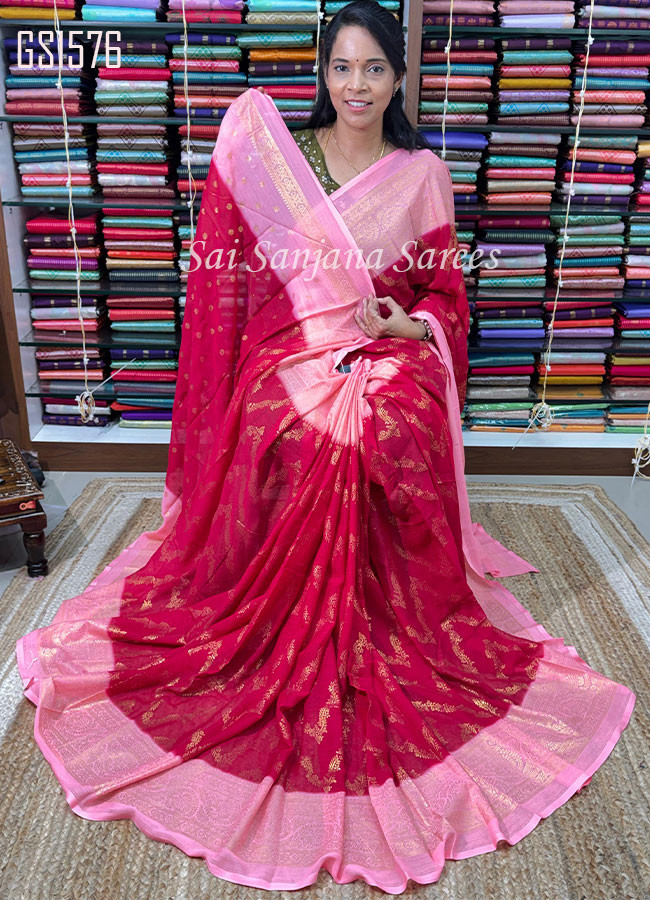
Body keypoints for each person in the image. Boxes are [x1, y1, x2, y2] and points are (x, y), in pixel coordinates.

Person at [15, 1, 636, 893]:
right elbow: (239, 276)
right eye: (342, 67)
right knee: (288, 425)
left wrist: (407, 324)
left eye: (374, 68)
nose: (357, 85)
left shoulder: (421, 174)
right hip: (292, 345)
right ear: (323, 73)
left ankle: (382, 616)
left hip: (386, 345)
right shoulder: (285, 159)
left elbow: (445, 296)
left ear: (398, 78)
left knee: (384, 424)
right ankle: (274, 610)